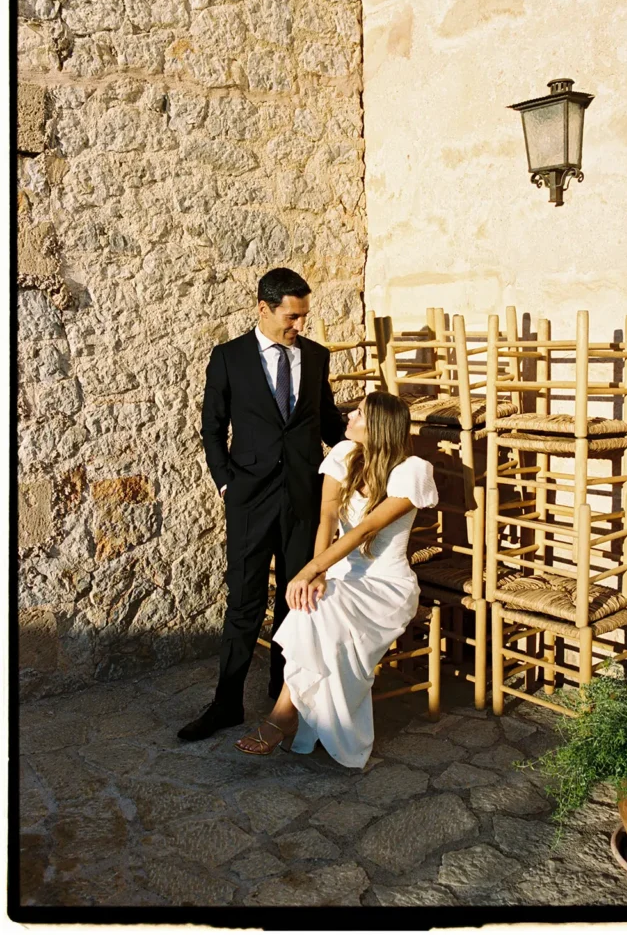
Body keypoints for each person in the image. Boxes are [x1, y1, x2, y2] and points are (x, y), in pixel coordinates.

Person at [178, 268, 346, 741]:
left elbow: (327, 422)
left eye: (303, 316)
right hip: (249, 501)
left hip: (303, 500)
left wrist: (371, 443)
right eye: (291, 317)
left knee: (298, 602)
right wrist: (226, 484)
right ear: (263, 309)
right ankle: (226, 704)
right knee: (244, 605)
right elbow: (212, 428)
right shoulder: (228, 357)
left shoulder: (315, 357)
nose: (299, 325)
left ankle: (283, 699)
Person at [234, 391, 439, 769]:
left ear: (378, 426)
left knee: (316, 607)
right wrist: (320, 572)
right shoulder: (344, 454)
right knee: (315, 604)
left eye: (358, 413)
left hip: (385, 586)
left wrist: (309, 571)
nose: (349, 416)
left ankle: (282, 716)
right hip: (341, 575)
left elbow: (364, 530)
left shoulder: (412, 470)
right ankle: (288, 713)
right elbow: (327, 518)